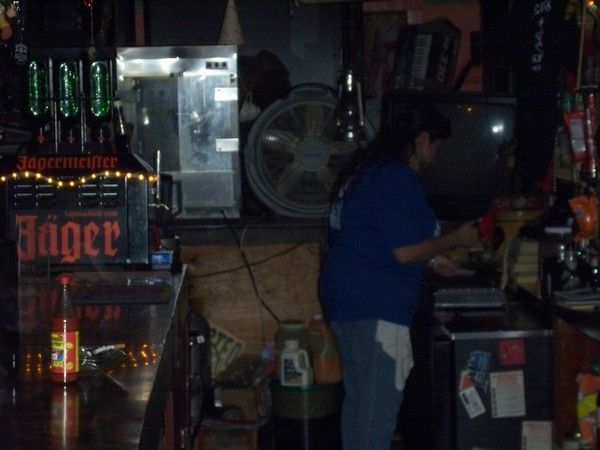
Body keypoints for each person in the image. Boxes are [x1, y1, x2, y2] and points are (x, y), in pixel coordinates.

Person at [318, 102, 480, 450]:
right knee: (377, 412)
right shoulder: (395, 177)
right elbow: (404, 251)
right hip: (375, 305)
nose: (434, 158)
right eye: (436, 148)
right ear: (421, 140)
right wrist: (457, 239)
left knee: (359, 402)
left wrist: (434, 259)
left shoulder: (366, 171)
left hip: (347, 301)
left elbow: (377, 237)